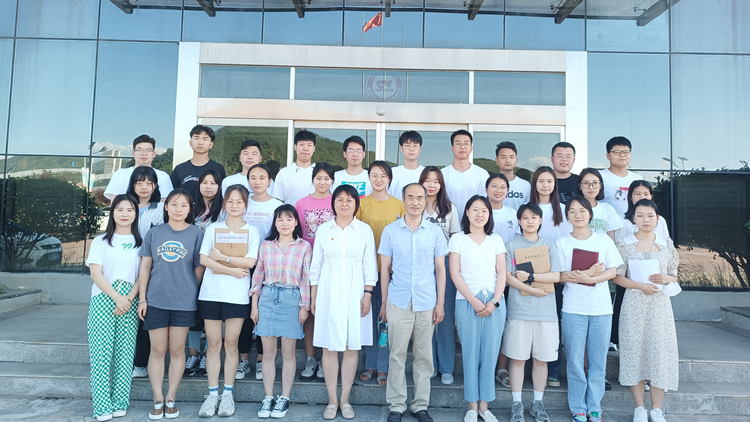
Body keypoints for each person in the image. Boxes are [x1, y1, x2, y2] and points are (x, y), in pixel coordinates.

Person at [379, 183, 447, 422]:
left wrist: (440, 303)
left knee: (424, 356)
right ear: (403, 200)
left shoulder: (435, 232)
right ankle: (396, 405)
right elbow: (384, 270)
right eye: (410, 197)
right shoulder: (390, 231)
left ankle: (420, 404)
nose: (415, 202)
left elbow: (440, 269)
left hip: (427, 302)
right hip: (398, 301)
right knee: (396, 354)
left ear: (425, 200)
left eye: (420, 197)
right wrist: (384, 303)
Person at [310, 185, 378, 420]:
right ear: (333, 203)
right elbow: (316, 265)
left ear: (356, 204)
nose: (344, 204)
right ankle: (332, 401)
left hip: (356, 291)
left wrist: (367, 294)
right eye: (340, 200)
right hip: (328, 291)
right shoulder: (323, 229)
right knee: (329, 347)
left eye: (349, 200)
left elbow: (370, 265)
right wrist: (313, 296)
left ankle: (345, 400)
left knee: (351, 347)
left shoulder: (364, 230)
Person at [137, 189, 205, 420]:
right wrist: (143, 298)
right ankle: (157, 398)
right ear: (166, 207)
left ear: (189, 209)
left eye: (184, 205)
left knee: (177, 350)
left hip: (183, 302)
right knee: (157, 350)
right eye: (174, 204)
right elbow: (145, 267)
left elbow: (199, 267)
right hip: (156, 300)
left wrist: (189, 288)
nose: (178, 209)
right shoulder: (154, 233)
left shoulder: (196, 234)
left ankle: (171, 397)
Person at [555, 196, 624, 422]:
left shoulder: (603, 240)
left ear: (590, 215)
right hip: (573, 308)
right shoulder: (562, 243)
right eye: (572, 211)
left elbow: (613, 271)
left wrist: (591, 278)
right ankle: (578, 407)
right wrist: (588, 274)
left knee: (598, 361)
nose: (578, 215)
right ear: (567, 216)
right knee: (575, 360)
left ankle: (595, 407)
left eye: (582, 211)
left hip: (601, 309)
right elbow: (560, 275)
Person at [197, 185, 260, 418]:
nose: (234, 205)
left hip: (237, 295)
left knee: (231, 344)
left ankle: (228, 394)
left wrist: (223, 258)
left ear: (246, 205)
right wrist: (232, 269)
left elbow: (250, 262)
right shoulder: (213, 228)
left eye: (239, 202)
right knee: (213, 344)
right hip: (211, 293)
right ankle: (212, 394)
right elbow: (204, 259)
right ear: (224, 203)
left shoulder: (252, 231)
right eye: (230, 201)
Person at [613, 199, 679, 422]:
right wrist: (640, 286)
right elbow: (617, 276)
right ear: (633, 218)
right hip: (634, 304)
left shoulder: (666, 244)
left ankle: (656, 409)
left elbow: (675, 274)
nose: (645, 220)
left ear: (657, 218)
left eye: (650, 215)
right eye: (640, 215)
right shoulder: (624, 244)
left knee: (659, 353)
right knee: (635, 353)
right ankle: (639, 407)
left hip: (660, 307)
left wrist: (667, 278)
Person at [250, 205, 312, 419]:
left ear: (296, 222)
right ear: (275, 223)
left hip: (291, 299)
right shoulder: (266, 246)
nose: (285, 223)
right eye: (280, 219)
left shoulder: (304, 246)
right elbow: (258, 276)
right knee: (268, 354)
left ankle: (284, 397)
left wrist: (304, 306)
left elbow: (306, 278)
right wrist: (254, 305)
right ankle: (268, 397)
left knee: (288, 353)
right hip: (267, 298)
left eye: (289, 219)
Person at [503, 203, 563, 422]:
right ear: (519, 221)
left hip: (545, 312)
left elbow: (556, 276)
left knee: (541, 360)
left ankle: (538, 403)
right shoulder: (511, 245)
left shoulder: (549, 246)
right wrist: (532, 289)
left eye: (534, 217)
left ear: (540, 221)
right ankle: (516, 404)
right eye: (525, 218)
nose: (530, 221)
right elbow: (507, 277)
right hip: (519, 310)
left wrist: (530, 278)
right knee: (517, 358)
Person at [449, 195, 507, 422]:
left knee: (490, 354)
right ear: (467, 213)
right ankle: (472, 406)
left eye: (484, 210)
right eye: (475, 209)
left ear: (489, 215)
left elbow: (501, 273)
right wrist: (473, 300)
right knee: (470, 354)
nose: (479, 214)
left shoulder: (496, 240)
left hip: (494, 302)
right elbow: (454, 273)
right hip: (467, 301)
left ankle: (485, 406)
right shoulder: (458, 239)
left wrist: (495, 301)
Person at [86, 194, 142, 421]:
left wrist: (128, 297)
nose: (125, 214)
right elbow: (95, 274)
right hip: (104, 298)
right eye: (120, 209)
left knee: (125, 355)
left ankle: (120, 402)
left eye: (130, 210)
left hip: (130, 299)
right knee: (100, 355)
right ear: (112, 212)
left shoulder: (141, 242)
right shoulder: (101, 241)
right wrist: (117, 297)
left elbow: (143, 274)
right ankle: (101, 406)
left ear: (136, 214)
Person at [356, 161, 405, 387]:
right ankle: (370, 364)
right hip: (367, 272)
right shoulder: (361, 204)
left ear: (389, 179)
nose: (378, 179)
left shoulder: (399, 205)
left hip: (392, 272)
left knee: (385, 321)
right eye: (374, 175)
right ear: (369, 178)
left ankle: (383, 366)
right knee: (368, 318)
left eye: (383, 176)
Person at [611, 180, 672, 354]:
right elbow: (619, 245)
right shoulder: (621, 220)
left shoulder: (660, 220)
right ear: (630, 197)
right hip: (629, 274)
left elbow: (666, 243)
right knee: (623, 308)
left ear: (651, 196)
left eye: (645, 193)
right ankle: (617, 340)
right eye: (637, 193)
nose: (641, 196)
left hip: (654, 273)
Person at [237, 164, 282, 381]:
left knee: (264, 311)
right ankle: (244, 359)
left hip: (268, 264)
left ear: (269, 181)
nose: (257, 181)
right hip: (242, 263)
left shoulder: (277, 205)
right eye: (253, 177)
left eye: (262, 177)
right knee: (244, 311)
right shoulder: (242, 202)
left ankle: (262, 360)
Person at [528, 166, 571, 388]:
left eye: (549, 181)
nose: (545, 185)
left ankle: (552, 370)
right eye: (541, 181)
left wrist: (561, 274)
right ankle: (529, 369)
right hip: (529, 275)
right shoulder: (527, 208)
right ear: (534, 184)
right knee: (529, 322)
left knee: (553, 324)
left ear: (555, 184)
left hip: (556, 276)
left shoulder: (563, 210)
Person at [293, 162, 335, 382]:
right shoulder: (301, 203)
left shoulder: (337, 201)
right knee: (309, 311)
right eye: (318, 178)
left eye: (327, 178)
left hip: (332, 265)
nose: (322, 182)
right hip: (307, 264)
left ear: (332, 181)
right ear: (312, 180)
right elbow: (297, 234)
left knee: (327, 311)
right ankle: (311, 358)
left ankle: (327, 357)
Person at [419, 166, 461, 385]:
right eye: (427, 180)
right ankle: (430, 366)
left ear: (441, 184)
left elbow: (455, 240)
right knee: (425, 318)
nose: (431, 185)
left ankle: (446, 367)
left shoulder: (449, 207)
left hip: (444, 262)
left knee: (444, 316)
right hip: (421, 265)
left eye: (436, 181)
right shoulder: (415, 205)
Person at [124, 167, 163, 380]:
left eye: (149, 183)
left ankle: (140, 363)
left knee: (143, 317)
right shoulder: (124, 206)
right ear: (133, 185)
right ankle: (124, 362)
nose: (144, 187)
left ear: (155, 186)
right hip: (126, 267)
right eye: (139, 183)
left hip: (150, 268)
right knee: (125, 316)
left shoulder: (162, 209)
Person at [186, 170, 224, 378]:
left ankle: (209, 353)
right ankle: (193, 354)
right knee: (193, 311)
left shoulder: (223, 210)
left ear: (219, 186)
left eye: (213, 183)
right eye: (205, 182)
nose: (208, 186)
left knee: (210, 313)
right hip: (190, 265)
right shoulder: (190, 208)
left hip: (215, 267)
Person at [104, 134, 173, 202]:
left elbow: (165, 202)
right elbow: (115, 202)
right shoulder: (120, 174)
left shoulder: (163, 176)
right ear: (133, 153)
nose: (144, 153)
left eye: (148, 150)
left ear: (154, 154)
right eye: (139, 150)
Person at [170, 125, 227, 204]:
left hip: (211, 211)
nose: (200, 142)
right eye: (196, 138)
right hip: (185, 211)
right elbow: (172, 195)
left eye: (205, 139)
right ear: (190, 143)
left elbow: (223, 195)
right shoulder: (179, 169)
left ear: (211, 144)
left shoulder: (218, 169)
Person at [441, 130, 490, 215]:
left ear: (471, 148)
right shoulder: (442, 174)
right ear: (452, 148)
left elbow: (484, 203)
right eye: (458, 143)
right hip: (447, 220)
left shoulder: (482, 174)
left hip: (474, 221)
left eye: (466, 143)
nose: (462, 147)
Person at [599, 137, 643, 216]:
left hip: (632, 222)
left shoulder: (637, 178)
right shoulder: (599, 177)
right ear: (608, 156)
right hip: (607, 222)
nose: (622, 155)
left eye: (626, 152)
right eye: (617, 152)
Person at [273, 130, 316, 205]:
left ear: (314, 148)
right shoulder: (284, 173)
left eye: (309, 145)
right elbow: (277, 201)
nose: (305, 148)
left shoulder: (320, 172)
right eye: (301, 144)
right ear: (295, 147)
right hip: (290, 212)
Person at [578, 168, 623, 240]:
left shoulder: (608, 209)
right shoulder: (573, 209)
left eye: (595, 183)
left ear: (600, 186)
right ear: (580, 186)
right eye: (586, 183)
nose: (591, 187)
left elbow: (611, 239)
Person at [389, 131, 425, 201]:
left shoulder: (425, 172)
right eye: (407, 145)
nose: (411, 149)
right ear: (401, 148)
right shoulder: (392, 172)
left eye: (415, 146)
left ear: (420, 149)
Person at [495, 141, 531, 210]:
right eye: (503, 157)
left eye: (511, 157)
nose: (508, 160)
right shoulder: (490, 185)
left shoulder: (525, 185)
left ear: (516, 160)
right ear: (497, 161)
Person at [485, 173, 518, 243]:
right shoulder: (480, 213)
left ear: (507, 191)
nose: (498, 190)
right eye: (494, 186)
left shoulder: (513, 213)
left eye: (502, 187)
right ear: (486, 189)